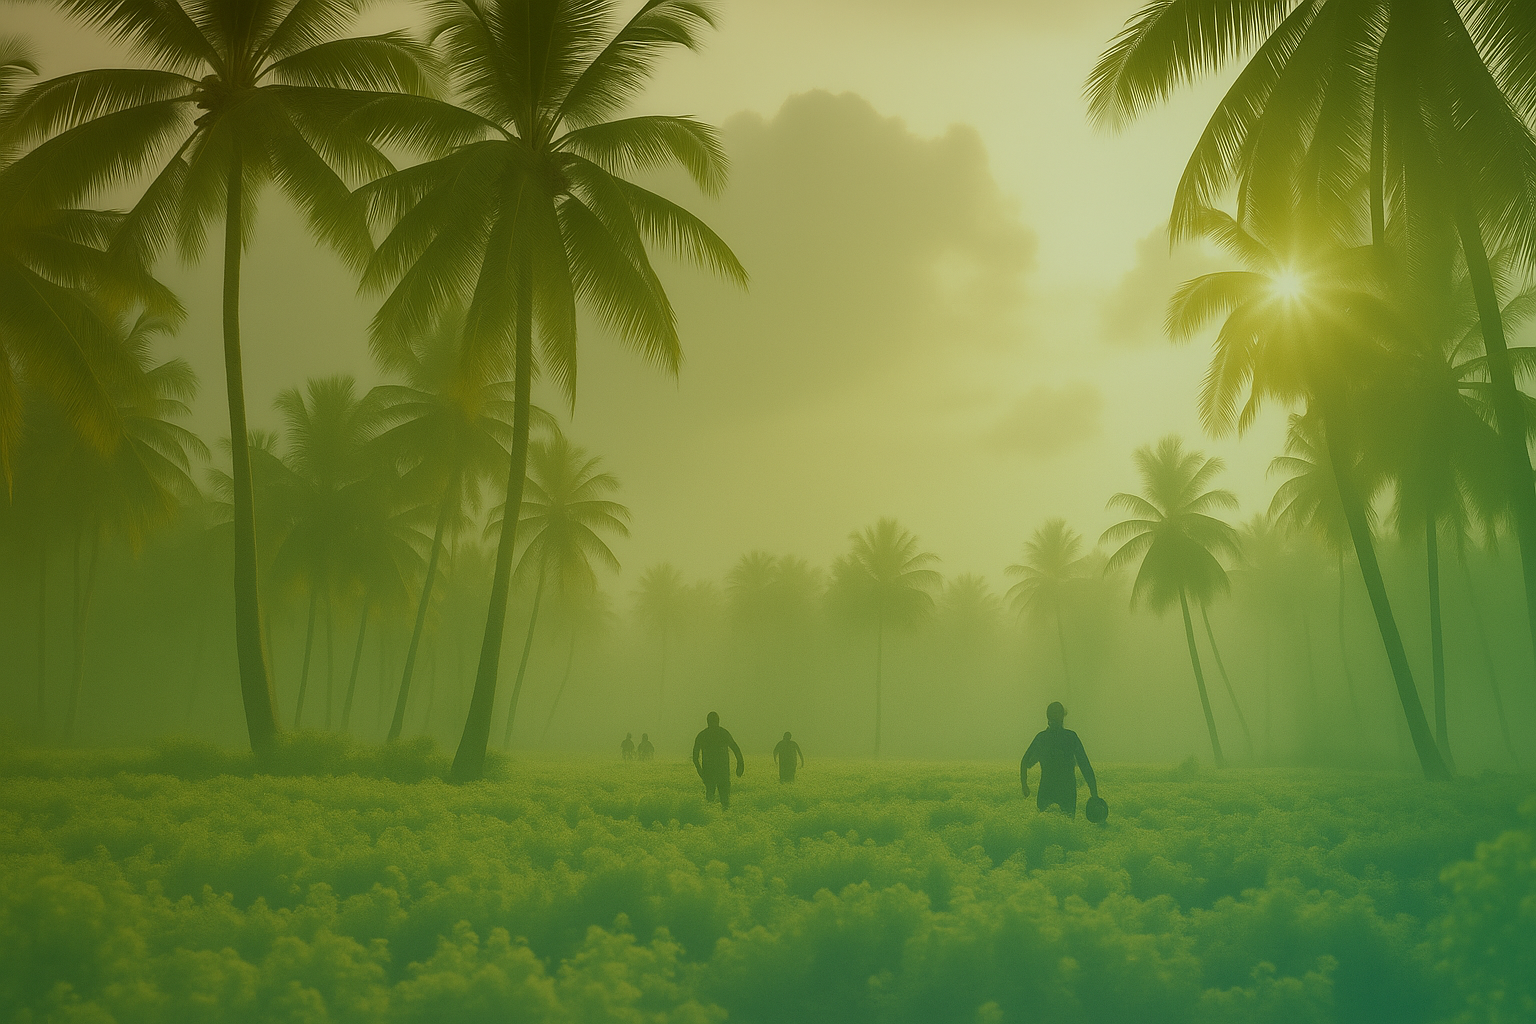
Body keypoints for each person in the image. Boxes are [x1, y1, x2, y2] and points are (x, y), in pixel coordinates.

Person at [1020, 701, 1097, 816]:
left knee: (1053, 825)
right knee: (1056, 824)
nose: (1055, 717)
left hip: (1059, 791)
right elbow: (1025, 761)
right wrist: (1024, 784)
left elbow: (1084, 765)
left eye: (1057, 714)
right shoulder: (1047, 738)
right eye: (1053, 714)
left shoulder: (1065, 737)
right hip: (1057, 791)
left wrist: (1024, 784)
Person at [692, 712, 744, 809]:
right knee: (712, 798)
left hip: (720, 772)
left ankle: (722, 818)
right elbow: (695, 756)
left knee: (722, 799)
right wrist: (700, 770)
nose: (713, 723)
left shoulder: (721, 733)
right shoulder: (705, 735)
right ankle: (714, 818)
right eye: (712, 721)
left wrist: (740, 764)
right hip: (711, 772)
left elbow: (735, 749)